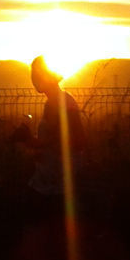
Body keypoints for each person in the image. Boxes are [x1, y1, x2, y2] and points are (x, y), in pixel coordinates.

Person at [14, 55, 86, 197]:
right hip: (56, 172)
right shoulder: (59, 101)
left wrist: (29, 140)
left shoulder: (58, 103)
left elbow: (60, 140)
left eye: (36, 75)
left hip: (58, 176)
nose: (33, 80)